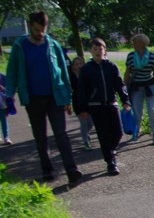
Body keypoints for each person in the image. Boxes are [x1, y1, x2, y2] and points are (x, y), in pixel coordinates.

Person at [4, 11, 82, 184]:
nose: (40, 33)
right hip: (33, 99)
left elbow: (63, 72)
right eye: (37, 30)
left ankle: (72, 170)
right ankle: (47, 169)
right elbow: (12, 72)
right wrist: (9, 95)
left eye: (43, 29)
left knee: (61, 134)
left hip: (55, 97)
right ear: (30, 26)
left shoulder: (53, 45)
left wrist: (67, 98)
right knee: (40, 137)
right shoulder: (19, 46)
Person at [73, 38, 131, 176]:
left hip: (111, 103)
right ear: (90, 51)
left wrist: (125, 100)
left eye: (100, 49)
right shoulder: (86, 69)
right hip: (96, 106)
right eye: (95, 49)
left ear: (105, 50)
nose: (98, 52)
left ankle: (110, 150)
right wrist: (83, 108)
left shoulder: (111, 66)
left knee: (118, 132)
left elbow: (119, 84)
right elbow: (82, 90)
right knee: (103, 134)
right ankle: (111, 162)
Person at [125, 33, 154, 145]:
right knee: (138, 111)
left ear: (141, 44)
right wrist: (124, 89)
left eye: (135, 42)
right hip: (136, 87)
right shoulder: (131, 56)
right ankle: (137, 129)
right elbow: (127, 72)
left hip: (149, 86)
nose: (133, 44)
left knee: (151, 110)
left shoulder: (151, 57)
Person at [69, 56, 94, 150]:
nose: (79, 66)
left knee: (90, 123)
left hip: (88, 101)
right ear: (73, 66)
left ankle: (85, 133)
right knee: (83, 123)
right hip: (77, 102)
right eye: (76, 64)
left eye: (80, 64)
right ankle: (86, 142)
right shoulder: (71, 76)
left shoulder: (87, 74)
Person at [0, 70, 11, 145]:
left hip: (2, 102)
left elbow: (8, 88)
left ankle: (6, 137)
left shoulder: (3, 77)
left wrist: (2, 88)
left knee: (3, 118)